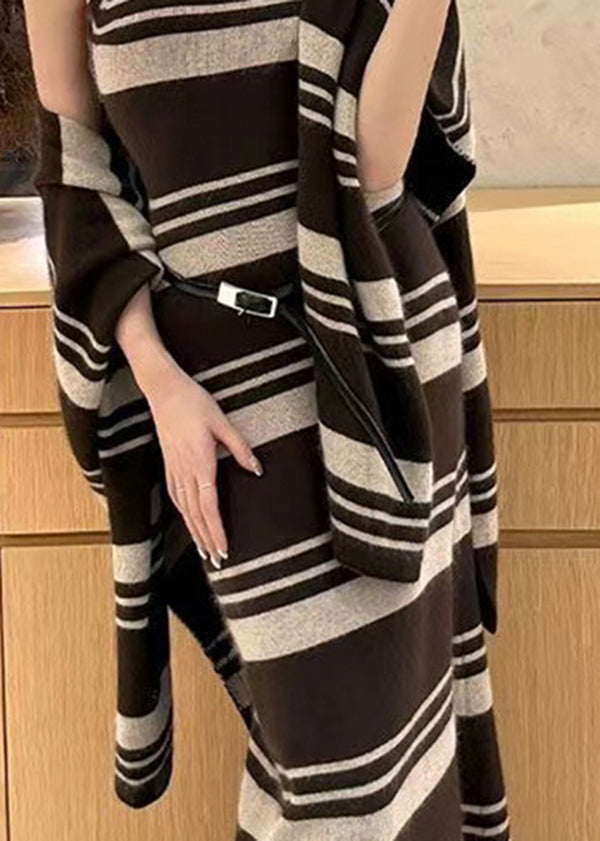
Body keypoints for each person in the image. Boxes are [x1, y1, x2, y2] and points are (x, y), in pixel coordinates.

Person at [23, 0, 510, 837]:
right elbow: (73, 167)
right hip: (217, 392)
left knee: (377, 771)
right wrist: (159, 379)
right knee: (325, 767)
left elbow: (373, 171)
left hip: (374, 369)